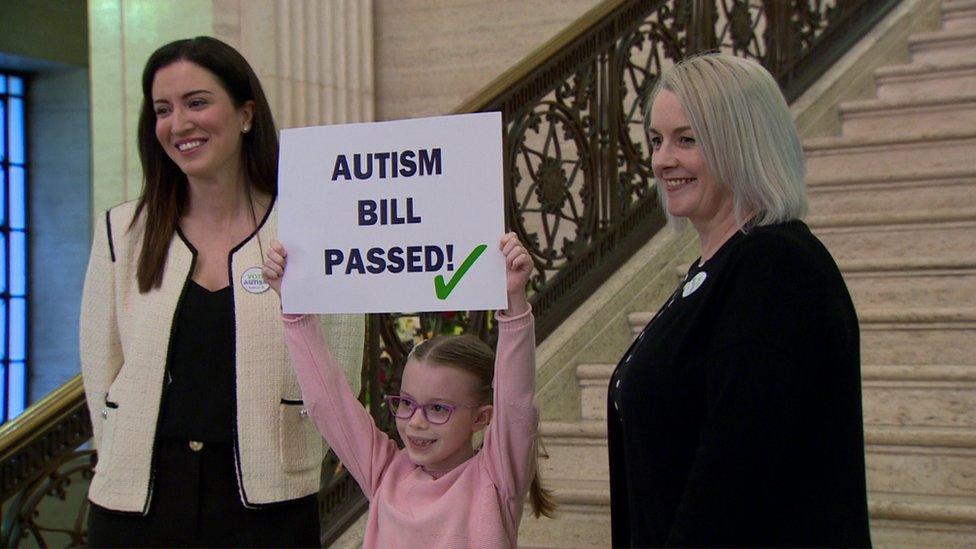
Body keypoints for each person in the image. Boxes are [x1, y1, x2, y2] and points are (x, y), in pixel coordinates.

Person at [79, 36, 363, 547]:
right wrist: (117, 450)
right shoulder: (121, 232)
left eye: (198, 102)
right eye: (163, 109)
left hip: (267, 501)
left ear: (246, 114)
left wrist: (302, 456)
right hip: (134, 505)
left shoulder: (310, 227)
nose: (179, 123)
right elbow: (101, 368)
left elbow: (341, 368)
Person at [607, 53, 872, 547]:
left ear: (743, 144)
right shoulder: (720, 269)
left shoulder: (775, 268)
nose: (663, 159)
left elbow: (734, 479)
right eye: (657, 140)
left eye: (687, 139)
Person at [261, 232, 555, 548]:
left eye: (438, 408)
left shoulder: (495, 479)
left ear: (482, 417)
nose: (415, 421)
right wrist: (294, 307)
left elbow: (516, 402)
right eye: (407, 403)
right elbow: (329, 403)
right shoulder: (385, 472)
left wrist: (514, 302)